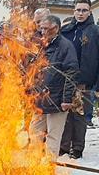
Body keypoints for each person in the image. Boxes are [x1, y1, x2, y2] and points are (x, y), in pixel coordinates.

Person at [59, 0, 99, 159]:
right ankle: (64, 147)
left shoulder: (95, 31)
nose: (80, 13)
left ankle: (78, 147)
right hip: (66, 79)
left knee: (80, 116)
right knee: (65, 114)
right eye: (78, 10)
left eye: (84, 10)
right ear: (73, 11)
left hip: (84, 81)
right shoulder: (67, 30)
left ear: (89, 12)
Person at [33, 15, 79, 157]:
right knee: (34, 133)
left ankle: (49, 169)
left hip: (57, 99)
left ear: (56, 28)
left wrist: (66, 99)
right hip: (40, 98)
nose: (43, 31)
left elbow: (71, 73)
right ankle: (33, 167)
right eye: (41, 28)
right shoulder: (41, 45)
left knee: (53, 136)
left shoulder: (65, 46)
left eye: (46, 28)